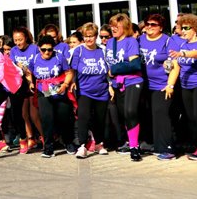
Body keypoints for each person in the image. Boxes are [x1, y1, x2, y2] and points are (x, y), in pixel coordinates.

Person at [106, 13, 144, 162]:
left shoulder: (131, 42)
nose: (113, 28)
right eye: (111, 25)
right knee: (124, 115)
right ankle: (132, 142)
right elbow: (108, 65)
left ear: (125, 26)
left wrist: (115, 69)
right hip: (117, 83)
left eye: (117, 25)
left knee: (130, 111)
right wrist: (110, 80)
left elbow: (135, 64)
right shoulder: (110, 43)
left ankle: (134, 147)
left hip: (133, 80)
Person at [29, 35, 75, 157]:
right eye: (44, 49)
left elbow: (69, 72)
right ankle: (48, 147)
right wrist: (30, 83)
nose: (47, 52)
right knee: (47, 119)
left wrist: (65, 84)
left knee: (64, 117)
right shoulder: (34, 59)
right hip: (43, 91)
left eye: (50, 49)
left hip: (59, 90)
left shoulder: (59, 57)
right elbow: (29, 73)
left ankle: (68, 142)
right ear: (39, 49)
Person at [138, 14, 176, 160]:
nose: (149, 27)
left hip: (162, 85)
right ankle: (153, 144)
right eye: (147, 24)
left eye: (153, 25)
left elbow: (174, 65)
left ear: (161, 27)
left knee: (161, 114)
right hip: (144, 84)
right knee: (147, 114)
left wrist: (170, 85)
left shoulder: (167, 41)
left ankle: (168, 147)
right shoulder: (139, 40)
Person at [70, 22, 110, 158]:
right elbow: (72, 69)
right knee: (83, 117)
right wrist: (72, 82)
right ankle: (82, 146)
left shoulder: (102, 50)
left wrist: (110, 85)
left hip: (101, 90)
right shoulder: (78, 51)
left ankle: (99, 144)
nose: (88, 39)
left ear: (96, 36)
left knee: (100, 119)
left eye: (91, 36)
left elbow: (108, 70)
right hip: (84, 91)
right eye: (86, 36)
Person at [168, 14, 197, 160]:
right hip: (186, 86)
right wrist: (170, 85)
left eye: (187, 28)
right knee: (191, 117)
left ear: (195, 28)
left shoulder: (196, 44)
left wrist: (183, 53)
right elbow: (176, 67)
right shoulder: (181, 45)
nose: (183, 31)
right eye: (182, 28)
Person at [11, 26, 43, 153]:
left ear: (26, 38)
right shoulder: (13, 50)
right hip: (20, 85)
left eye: (20, 39)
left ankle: (44, 137)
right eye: (15, 40)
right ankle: (30, 138)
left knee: (34, 115)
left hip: (34, 84)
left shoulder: (34, 48)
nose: (18, 42)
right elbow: (13, 68)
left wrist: (26, 70)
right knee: (24, 114)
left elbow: (37, 65)